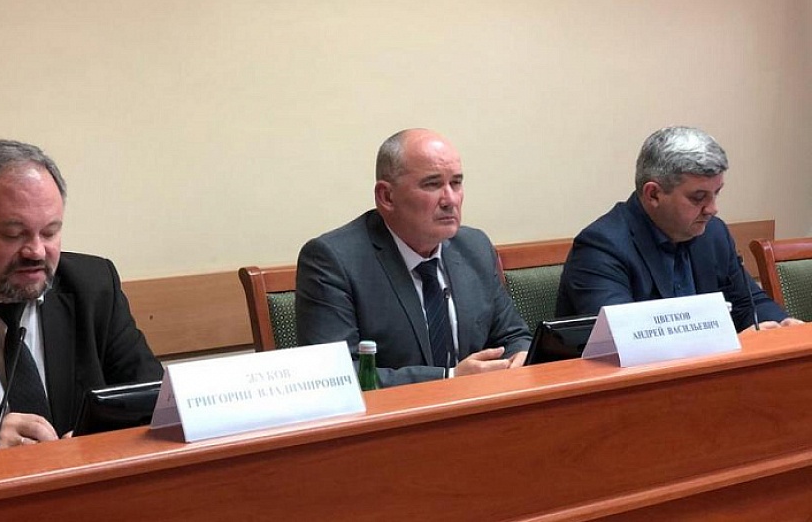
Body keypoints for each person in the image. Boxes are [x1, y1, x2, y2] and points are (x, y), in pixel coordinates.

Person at [0, 140, 163, 465]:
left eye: (49, 233)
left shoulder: (93, 288)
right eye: (14, 234)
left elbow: (153, 399)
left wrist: (94, 445)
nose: (35, 251)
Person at [296, 129, 530, 387]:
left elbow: (514, 336)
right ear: (387, 196)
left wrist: (520, 356)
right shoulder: (333, 261)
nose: (450, 200)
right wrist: (449, 378)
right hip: (392, 412)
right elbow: (336, 375)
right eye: (432, 184)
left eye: (456, 183)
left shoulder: (474, 247)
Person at [556, 126, 803, 332]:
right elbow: (625, 339)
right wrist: (736, 343)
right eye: (698, 197)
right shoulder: (601, 248)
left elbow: (748, 303)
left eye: (716, 193)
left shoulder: (713, 234)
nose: (712, 209)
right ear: (653, 194)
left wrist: (784, 326)